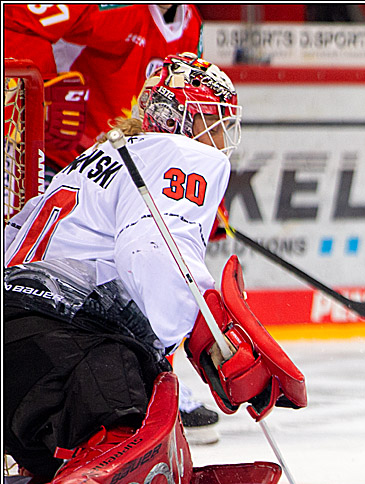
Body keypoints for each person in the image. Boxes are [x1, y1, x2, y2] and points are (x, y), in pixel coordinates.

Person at [2, 52, 298, 484]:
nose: (219, 136)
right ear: (182, 117)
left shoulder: (98, 156)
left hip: (18, 330)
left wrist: (199, 327)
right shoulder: (181, 153)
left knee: (75, 423)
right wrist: (163, 350)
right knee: (133, 399)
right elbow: (154, 251)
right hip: (49, 327)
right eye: (213, 119)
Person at [3, 4, 218, 440]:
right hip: (53, 154)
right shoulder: (111, 6)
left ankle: (151, 381)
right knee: (137, 259)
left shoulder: (190, 20)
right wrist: (35, 97)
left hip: (119, 164)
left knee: (144, 259)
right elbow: (14, 19)